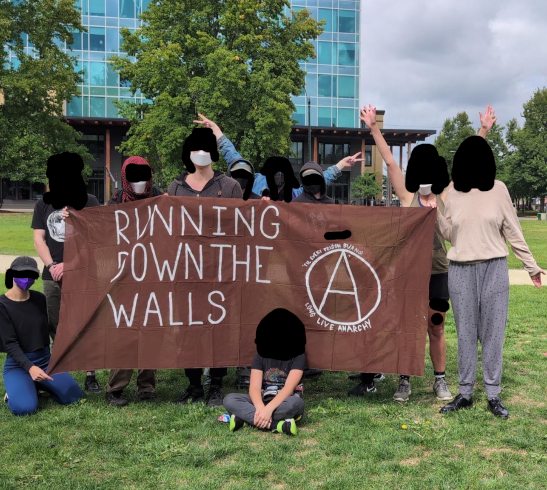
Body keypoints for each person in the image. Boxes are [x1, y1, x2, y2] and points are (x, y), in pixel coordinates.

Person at [346, 105, 497, 401]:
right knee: (407, 328)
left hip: (439, 273)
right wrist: (373, 127)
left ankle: (440, 381)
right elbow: (389, 161)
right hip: (408, 274)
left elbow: (467, 162)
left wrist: (483, 131)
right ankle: (404, 381)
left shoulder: (447, 195)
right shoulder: (406, 195)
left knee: (435, 327)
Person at [436, 133, 545, 419]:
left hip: (494, 268)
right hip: (460, 271)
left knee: (493, 334)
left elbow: (513, 230)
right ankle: (465, 393)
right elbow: (450, 235)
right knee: (465, 334)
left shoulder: (499, 190)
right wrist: (436, 213)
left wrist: (531, 266)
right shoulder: (453, 195)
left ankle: (493, 394)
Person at [167, 127, 243, 406]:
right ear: (188, 154)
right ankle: (194, 384)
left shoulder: (231, 187)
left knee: (218, 327)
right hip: (186, 270)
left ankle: (216, 385)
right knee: (189, 327)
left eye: (205, 147)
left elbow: (241, 226)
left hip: (220, 271)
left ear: (213, 152)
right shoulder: (175, 188)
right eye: (195, 148)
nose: (201, 153)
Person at [32, 152, 101, 393]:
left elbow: (96, 239)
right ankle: (60, 371)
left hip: (83, 272)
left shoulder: (89, 201)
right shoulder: (43, 204)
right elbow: (38, 239)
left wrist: (70, 264)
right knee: (55, 323)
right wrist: (52, 265)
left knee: (85, 322)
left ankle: (90, 375)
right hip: (52, 275)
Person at [102, 156, 163, 407]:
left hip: (156, 273)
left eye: (143, 175)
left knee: (151, 330)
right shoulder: (116, 201)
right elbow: (103, 232)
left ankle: (147, 386)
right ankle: (116, 387)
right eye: (134, 175)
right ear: (125, 177)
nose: (140, 181)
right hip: (125, 277)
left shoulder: (159, 198)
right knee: (125, 332)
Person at [0, 256, 83, 416]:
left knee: (73, 396)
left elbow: (45, 330)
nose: (26, 278)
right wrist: (30, 368)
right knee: (25, 409)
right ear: (12, 275)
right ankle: (15, 391)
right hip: (18, 364)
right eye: (22, 274)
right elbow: (10, 344)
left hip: (45, 360)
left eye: (31, 275)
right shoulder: (0, 306)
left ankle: (37, 385)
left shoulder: (39, 299)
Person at [192, 113, 345, 202]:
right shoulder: (255, 181)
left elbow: (319, 179)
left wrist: (340, 166)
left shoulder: (294, 193)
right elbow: (233, 158)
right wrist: (217, 132)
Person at [222, 309, 307, 436]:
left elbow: (289, 388)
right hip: (262, 399)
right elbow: (254, 387)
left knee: (296, 405)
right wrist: (260, 408)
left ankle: (245, 418)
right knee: (230, 399)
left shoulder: (298, 356)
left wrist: (269, 409)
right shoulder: (260, 355)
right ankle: (276, 425)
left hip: (284, 401)